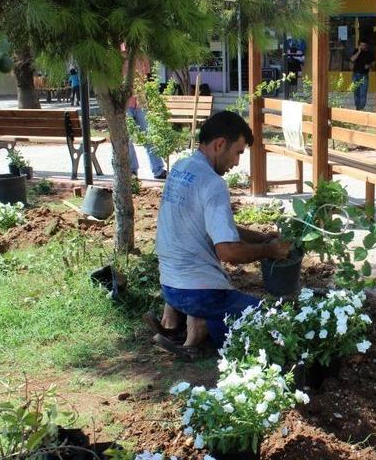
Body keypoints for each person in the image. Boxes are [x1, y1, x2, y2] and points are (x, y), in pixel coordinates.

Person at [147, 111, 292, 359]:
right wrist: (269, 250)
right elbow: (227, 252)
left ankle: (178, 323)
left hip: (169, 286)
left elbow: (215, 228)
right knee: (267, 317)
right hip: (200, 293)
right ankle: (201, 329)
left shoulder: (181, 168)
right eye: (238, 153)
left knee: (205, 302)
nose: (236, 163)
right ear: (220, 145)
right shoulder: (213, 184)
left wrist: (261, 237)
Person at [123, 51, 167, 179]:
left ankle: (158, 169)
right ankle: (132, 170)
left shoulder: (141, 55)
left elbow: (147, 77)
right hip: (125, 103)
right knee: (128, 139)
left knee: (149, 136)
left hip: (140, 102)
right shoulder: (117, 55)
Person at [350, 40, 375, 110]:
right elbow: (352, 59)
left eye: (363, 45)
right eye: (361, 45)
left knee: (363, 93)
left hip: (364, 75)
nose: (362, 47)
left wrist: (369, 66)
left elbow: (373, 63)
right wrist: (358, 52)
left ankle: (361, 108)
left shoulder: (369, 53)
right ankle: (357, 108)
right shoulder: (356, 51)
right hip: (355, 74)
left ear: (366, 46)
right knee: (356, 92)